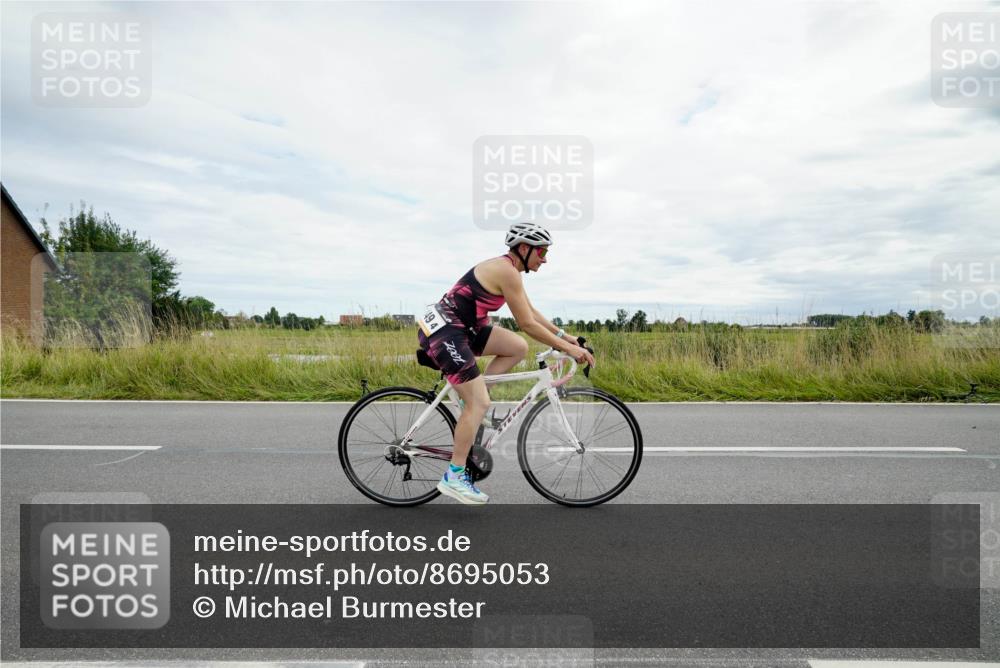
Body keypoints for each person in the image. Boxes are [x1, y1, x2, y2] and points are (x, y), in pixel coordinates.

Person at [416, 222, 596, 505]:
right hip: (445, 333)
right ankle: (454, 475)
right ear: (524, 249)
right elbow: (526, 323)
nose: (545, 258)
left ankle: (473, 399)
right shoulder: (506, 271)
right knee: (479, 403)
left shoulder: (511, 272)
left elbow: (532, 313)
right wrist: (568, 350)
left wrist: (567, 338)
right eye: (542, 252)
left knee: (517, 347)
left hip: (465, 329)